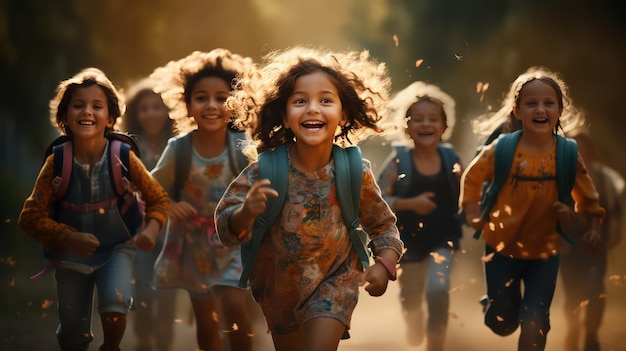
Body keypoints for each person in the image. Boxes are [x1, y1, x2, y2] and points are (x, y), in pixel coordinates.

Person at [215, 46, 404, 351]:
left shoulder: (354, 170)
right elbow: (226, 230)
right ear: (285, 116)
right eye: (300, 101)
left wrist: (384, 264)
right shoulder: (264, 171)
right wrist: (246, 212)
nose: (313, 109)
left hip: (337, 284)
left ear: (343, 115)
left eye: (325, 100)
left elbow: (384, 226)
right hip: (278, 292)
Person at [18, 67, 170, 351]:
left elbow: (158, 199)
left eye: (96, 106)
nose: (87, 111)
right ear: (64, 117)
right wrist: (66, 237)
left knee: (115, 308)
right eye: (78, 105)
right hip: (70, 255)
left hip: (117, 249)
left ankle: (111, 347)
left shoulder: (123, 157)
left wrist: (152, 227)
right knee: (73, 334)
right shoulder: (57, 162)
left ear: (111, 117)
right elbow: (30, 216)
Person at [459, 67, 605, 351]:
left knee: (535, 319)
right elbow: (473, 178)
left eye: (548, 103)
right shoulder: (502, 149)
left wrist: (590, 225)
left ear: (560, 110)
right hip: (502, 249)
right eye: (531, 103)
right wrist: (472, 212)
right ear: (517, 110)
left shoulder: (567, 154)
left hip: (545, 252)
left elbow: (588, 199)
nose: (540, 109)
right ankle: (493, 306)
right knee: (503, 323)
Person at [148, 49, 256, 351]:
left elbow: (262, 184)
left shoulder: (243, 147)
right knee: (206, 320)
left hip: (234, 240)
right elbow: (150, 188)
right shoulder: (179, 149)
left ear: (234, 104)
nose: (211, 105)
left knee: (234, 304)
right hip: (192, 245)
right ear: (187, 106)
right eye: (201, 98)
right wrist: (169, 205)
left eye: (221, 98)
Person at [377, 81, 462, 351]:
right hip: (406, 243)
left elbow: (466, 194)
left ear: (444, 126)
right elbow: (376, 200)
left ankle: (435, 342)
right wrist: (410, 202)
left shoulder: (451, 160)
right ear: (406, 127)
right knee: (411, 297)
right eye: (418, 119)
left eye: (433, 119)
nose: (426, 124)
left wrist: (473, 213)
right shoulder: (398, 161)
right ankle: (414, 322)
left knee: (438, 290)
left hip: (443, 239)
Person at [118, 79, 177, 351]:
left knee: (166, 291)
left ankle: (164, 340)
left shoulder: (178, 144)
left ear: (168, 111)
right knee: (141, 288)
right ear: (135, 113)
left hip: (172, 231)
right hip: (138, 231)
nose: (151, 113)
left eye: (157, 107)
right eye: (145, 108)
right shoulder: (126, 147)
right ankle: (143, 338)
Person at [560, 126, 623, 351]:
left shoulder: (606, 179)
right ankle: (574, 328)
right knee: (571, 296)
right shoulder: (561, 178)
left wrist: (608, 243)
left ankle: (591, 336)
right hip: (569, 247)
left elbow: (614, 214)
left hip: (597, 248)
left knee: (596, 291)